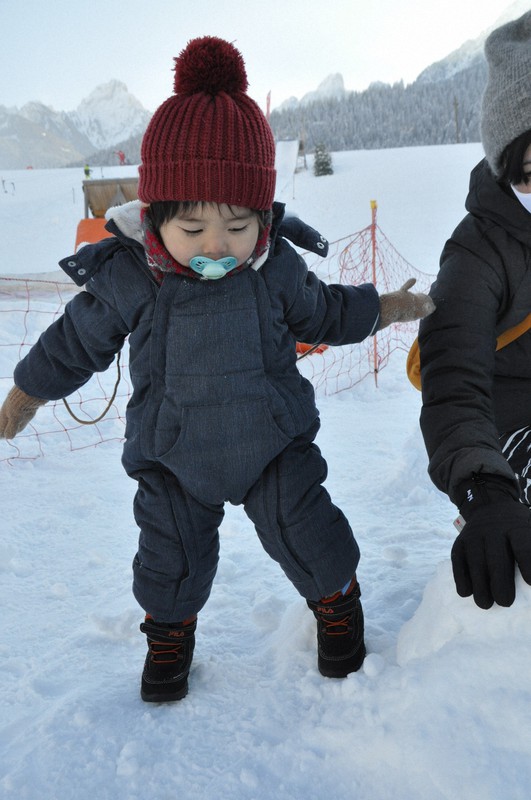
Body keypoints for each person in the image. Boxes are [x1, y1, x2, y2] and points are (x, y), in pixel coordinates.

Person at [0, 36, 434, 702]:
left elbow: (325, 314)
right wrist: (28, 392)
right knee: (168, 557)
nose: (216, 245)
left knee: (309, 532)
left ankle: (337, 607)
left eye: (237, 225)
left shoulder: (276, 270)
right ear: (156, 216)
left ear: (262, 218)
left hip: (272, 445)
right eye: (193, 225)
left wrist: (392, 306)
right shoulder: (133, 276)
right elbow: (74, 341)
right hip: (172, 452)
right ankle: (168, 638)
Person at [418, 11, 531, 612]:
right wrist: (484, 489)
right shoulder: (477, 251)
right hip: (508, 424)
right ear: (508, 167)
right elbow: (453, 381)